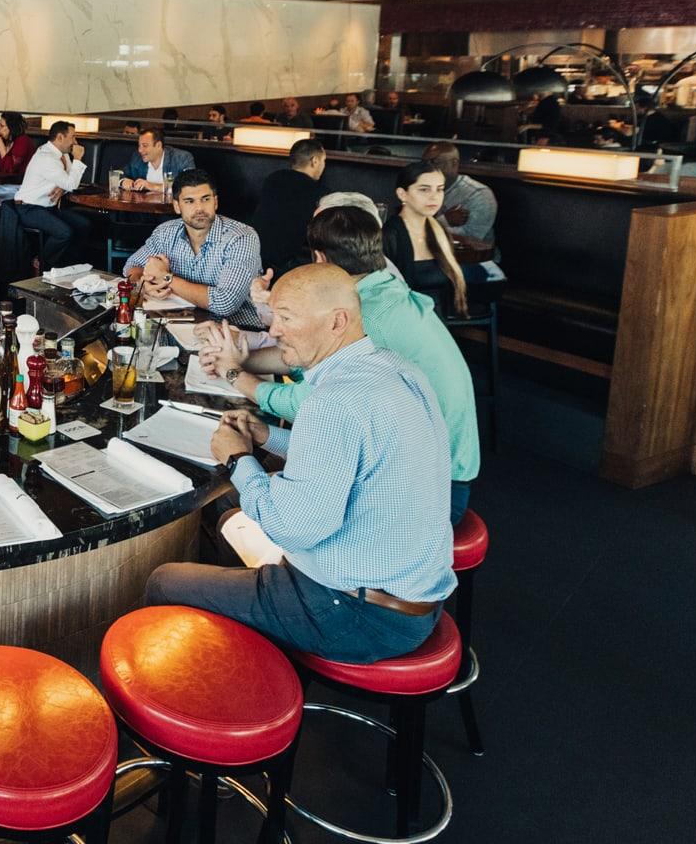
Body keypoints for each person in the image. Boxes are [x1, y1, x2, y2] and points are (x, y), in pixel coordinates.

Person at [146, 264, 454, 663]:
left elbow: (294, 529)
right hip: (414, 596)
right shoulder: (395, 368)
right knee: (227, 506)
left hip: (357, 612)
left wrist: (238, 458)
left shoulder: (332, 402)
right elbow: (345, 456)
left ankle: (235, 694)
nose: (273, 331)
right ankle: (255, 641)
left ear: (336, 322)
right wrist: (264, 436)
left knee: (164, 581)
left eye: (286, 318)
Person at [203, 206, 481, 526]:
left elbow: (302, 405)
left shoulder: (368, 318)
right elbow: (312, 358)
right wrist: (233, 357)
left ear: (320, 259)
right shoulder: (383, 289)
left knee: (229, 507)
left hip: (432, 489)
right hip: (418, 466)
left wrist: (235, 374)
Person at [122, 169, 264, 328]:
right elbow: (132, 266)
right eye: (189, 201)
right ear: (177, 206)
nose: (199, 208)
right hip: (180, 323)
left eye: (205, 199)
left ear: (215, 202)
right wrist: (144, 284)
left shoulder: (241, 237)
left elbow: (225, 303)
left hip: (237, 330)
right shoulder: (166, 232)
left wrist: (166, 278)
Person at [384, 162, 471, 319]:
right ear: (402, 194)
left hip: (438, 322)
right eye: (424, 189)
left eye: (440, 189)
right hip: (405, 322)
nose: (434, 196)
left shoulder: (439, 232)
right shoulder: (390, 235)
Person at [13, 120, 93, 267]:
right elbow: (71, 183)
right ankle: (41, 263)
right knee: (64, 233)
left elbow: (68, 182)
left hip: (47, 207)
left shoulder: (63, 155)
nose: (75, 142)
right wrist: (78, 159)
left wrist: (63, 187)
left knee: (84, 224)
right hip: (29, 208)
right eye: (73, 137)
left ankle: (68, 264)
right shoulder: (46, 157)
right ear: (60, 137)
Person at [250, 138, 327, 275]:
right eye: (323, 161)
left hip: (253, 254)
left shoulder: (273, 179)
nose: (323, 165)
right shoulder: (319, 193)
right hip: (287, 266)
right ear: (314, 161)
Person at [423, 143, 497, 251]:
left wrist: (428, 228)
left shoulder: (478, 194)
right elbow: (409, 225)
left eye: (435, 162)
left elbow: (471, 239)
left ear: (454, 164)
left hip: (474, 259)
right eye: (424, 163)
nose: (427, 168)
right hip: (434, 255)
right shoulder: (423, 188)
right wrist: (444, 221)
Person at [124, 126, 196, 192]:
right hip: (143, 204)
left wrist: (153, 186)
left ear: (158, 145)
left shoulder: (182, 158)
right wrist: (124, 181)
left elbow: (190, 185)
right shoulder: (137, 158)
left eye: (145, 146)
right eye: (139, 146)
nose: (140, 150)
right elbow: (119, 173)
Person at [0, 111, 34, 176]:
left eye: (2, 126)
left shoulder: (23, 141)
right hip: (2, 183)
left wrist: (0, 145)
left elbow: (10, 170)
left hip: (17, 184)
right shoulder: (5, 141)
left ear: (12, 127)